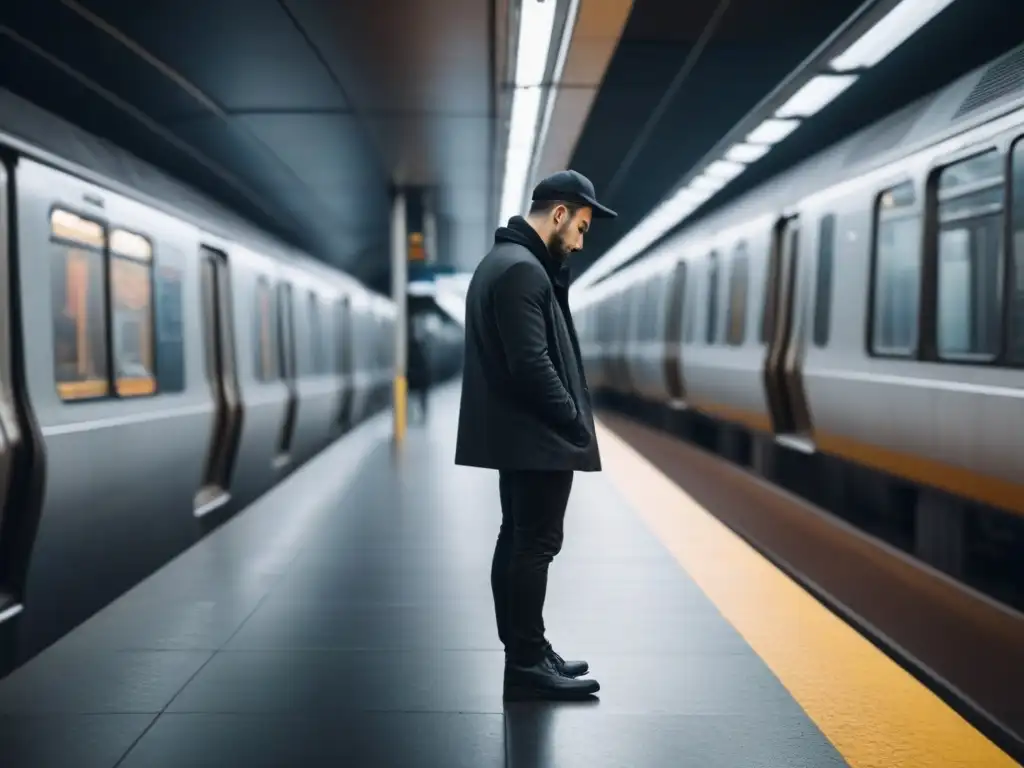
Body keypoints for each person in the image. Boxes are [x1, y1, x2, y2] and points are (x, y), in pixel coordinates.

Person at [454, 169, 617, 700]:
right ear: (561, 213)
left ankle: (529, 648)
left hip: (522, 435)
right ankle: (525, 662)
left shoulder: (506, 263)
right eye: (583, 228)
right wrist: (571, 416)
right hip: (537, 437)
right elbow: (531, 363)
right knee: (536, 545)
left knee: (519, 539)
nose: (581, 240)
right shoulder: (523, 271)